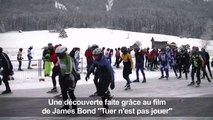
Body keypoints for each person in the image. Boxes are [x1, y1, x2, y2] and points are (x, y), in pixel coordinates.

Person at [86, 48, 114, 114]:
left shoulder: (105, 61)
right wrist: (88, 73)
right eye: (94, 56)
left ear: (100, 55)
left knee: (102, 92)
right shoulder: (96, 60)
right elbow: (93, 66)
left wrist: (113, 82)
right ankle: (107, 96)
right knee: (102, 93)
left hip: (108, 77)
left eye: (96, 56)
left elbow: (111, 72)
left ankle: (105, 107)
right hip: (102, 77)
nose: (94, 57)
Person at [55, 46, 77, 112]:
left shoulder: (68, 58)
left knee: (70, 92)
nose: (58, 56)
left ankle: (74, 107)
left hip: (71, 77)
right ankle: (66, 106)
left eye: (59, 54)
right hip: (64, 77)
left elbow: (69, 69)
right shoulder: (59, 58)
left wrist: (65, 75)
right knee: (63, 92)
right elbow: (58, 64)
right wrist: (55, 69)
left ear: (63, 53)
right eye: (57, 54)